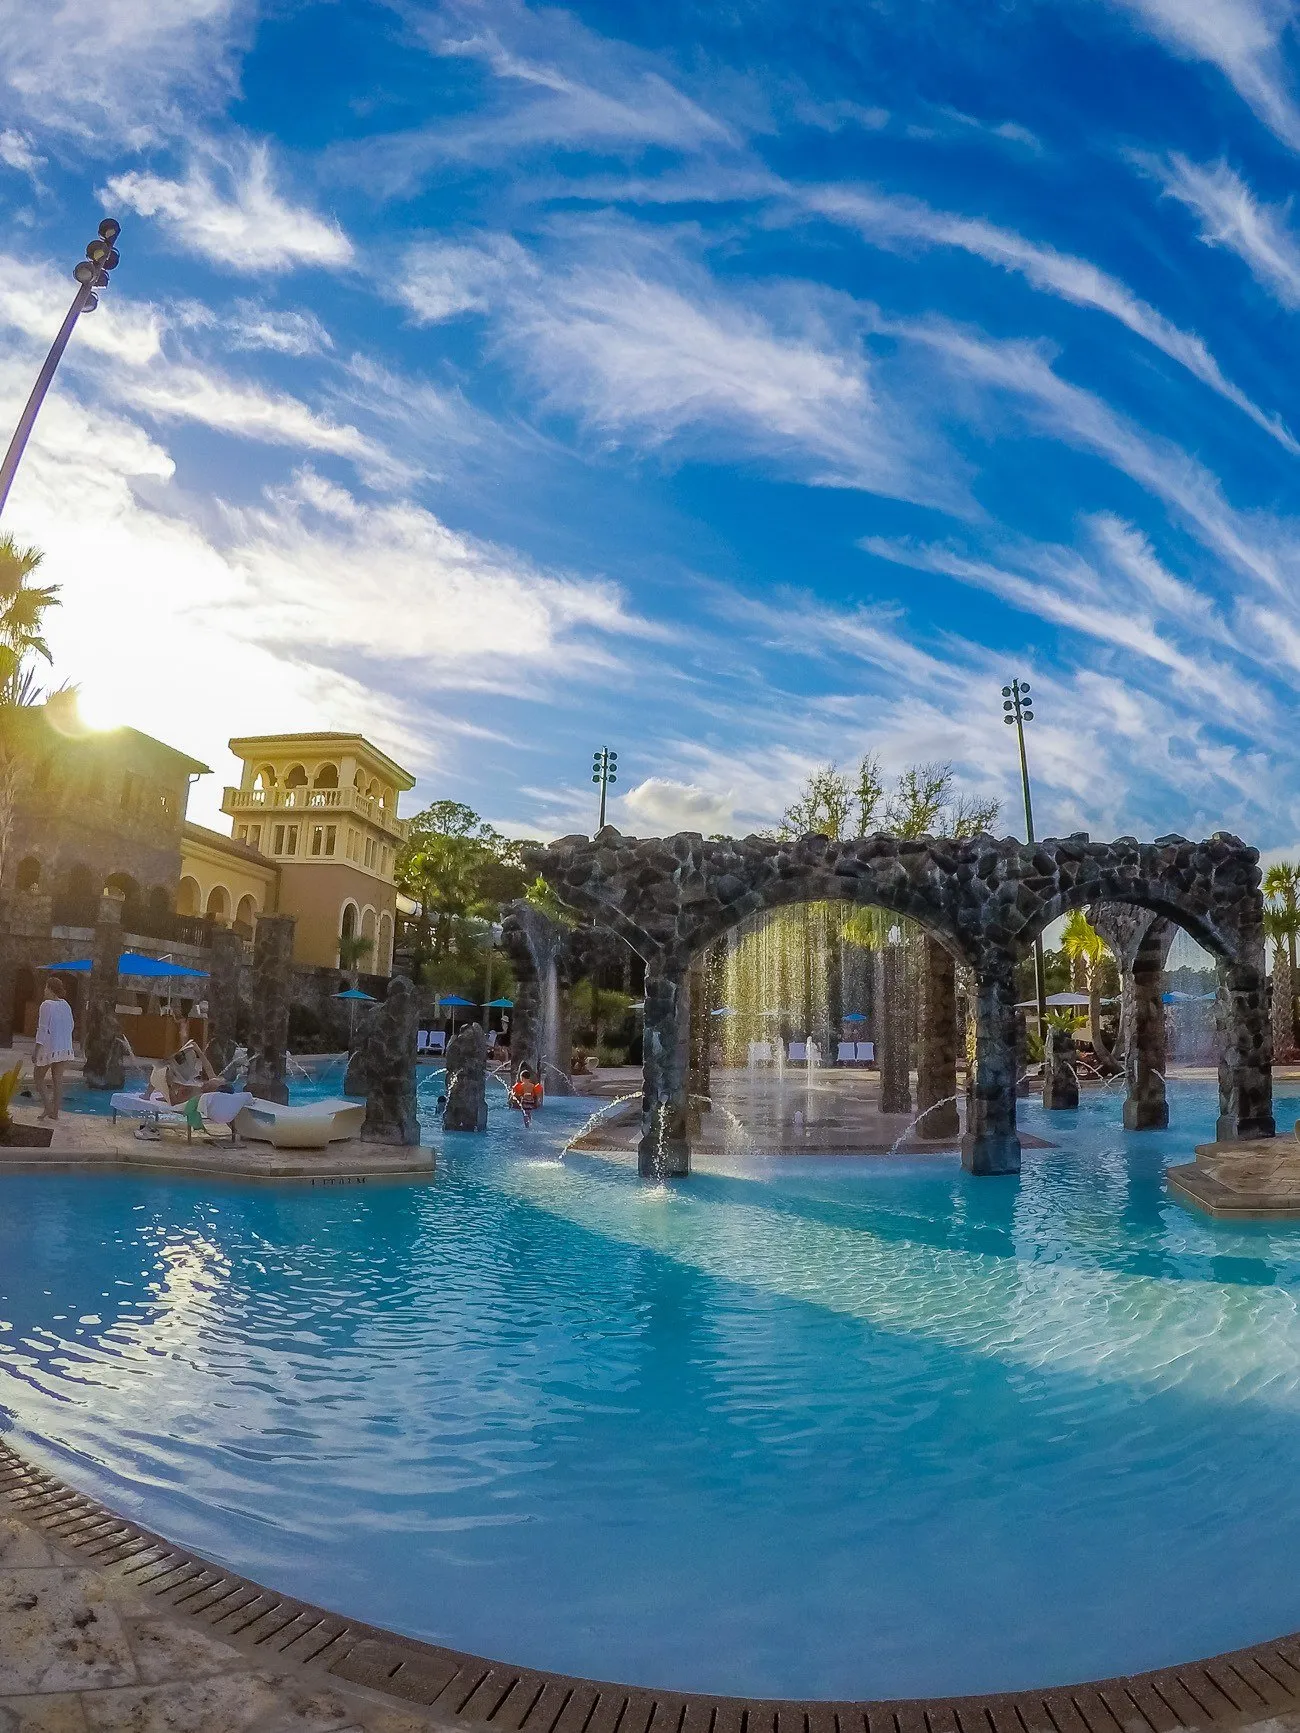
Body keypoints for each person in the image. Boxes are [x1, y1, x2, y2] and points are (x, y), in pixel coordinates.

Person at [33, 978, 76, 1123]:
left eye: (46, 987)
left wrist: (36, 1050)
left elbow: (42, 1029)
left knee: (38, 1077)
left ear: (50, 989)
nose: (44, 990)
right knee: (58, 1079)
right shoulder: (66, 1005)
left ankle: (47, 1107)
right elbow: (71, 1025)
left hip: (50, 1046)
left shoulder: (46, 1005)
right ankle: (55, 1112)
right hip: (64, 1047)